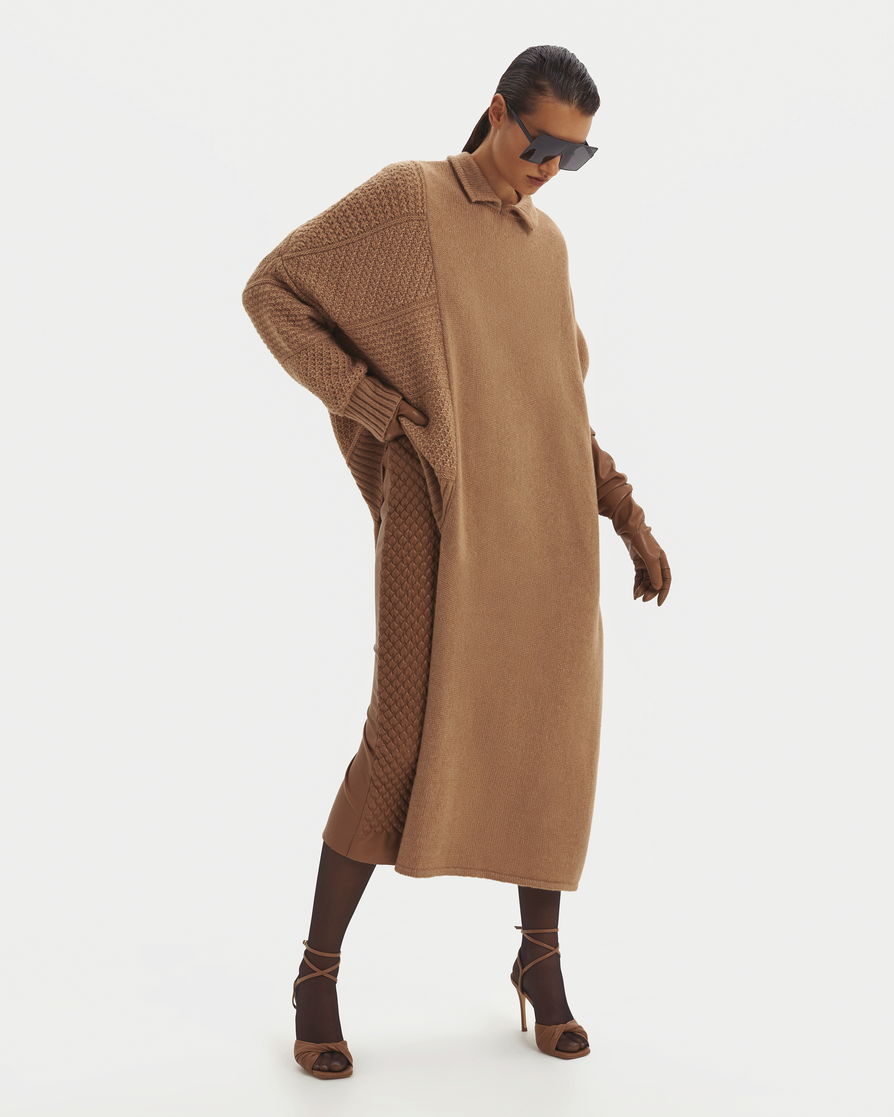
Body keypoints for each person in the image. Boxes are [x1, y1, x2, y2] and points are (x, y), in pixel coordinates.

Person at [242, 44, 672, 1080]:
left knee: (547, 743)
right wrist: (377, 409)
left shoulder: (547, 248)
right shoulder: (411, 201)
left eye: (576, 156)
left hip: (548, 535)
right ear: (496, 111)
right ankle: (315, 971)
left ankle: (540, 962)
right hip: (439, 522)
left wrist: (628, 517)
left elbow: (559, 408)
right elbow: (273, 292)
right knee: (396, 743)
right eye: (541, 143)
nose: (550, 169)